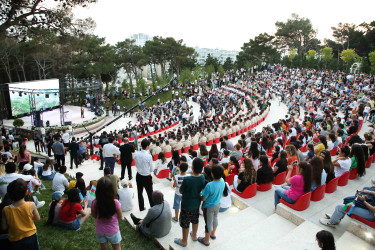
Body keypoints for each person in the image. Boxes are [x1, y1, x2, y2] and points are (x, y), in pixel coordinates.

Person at [1, 179, 40, 249]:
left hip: (15, 239)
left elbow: (4, 227)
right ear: (26, 192)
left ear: (9, 194)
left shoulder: (5, 209)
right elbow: (38, 218)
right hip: (30, 236)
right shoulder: (31, 205)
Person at [174, 158, 205, 247]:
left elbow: (181, 191)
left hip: (186, 204)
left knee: (185, 222)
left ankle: (184, 241)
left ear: (193, 167)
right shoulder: (202, 177)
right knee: (195, 219)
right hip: (196, 203)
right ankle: (194, 235)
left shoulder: (187, 179)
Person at [91, 177, 122, 250]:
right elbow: (120, 216)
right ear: (111, 190)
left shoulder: (95, 202)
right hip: (113, 230)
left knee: (103, 246)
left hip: (100, 229)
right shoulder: (115, 203)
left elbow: (93, 215)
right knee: (116, 246)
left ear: (98, 190)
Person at [197, 165, 225, 247]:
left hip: (209, 207)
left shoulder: (209, 185)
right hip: (218, 204)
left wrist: (199, 196)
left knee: (208, 223)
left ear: (212, 174)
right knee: (215, 218)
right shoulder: (222, 181)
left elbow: (203, 199)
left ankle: (206, 240)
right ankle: (213, 234)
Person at [134, 139, 154, 211]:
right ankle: (152, 207)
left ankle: (141, 208)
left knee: (140, 193)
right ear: (147, 146)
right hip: (146, 176)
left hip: (139, 175)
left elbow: (136, 164)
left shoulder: (136, 154)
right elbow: (152, 169)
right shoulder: (149, 156)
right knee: (150, 193)